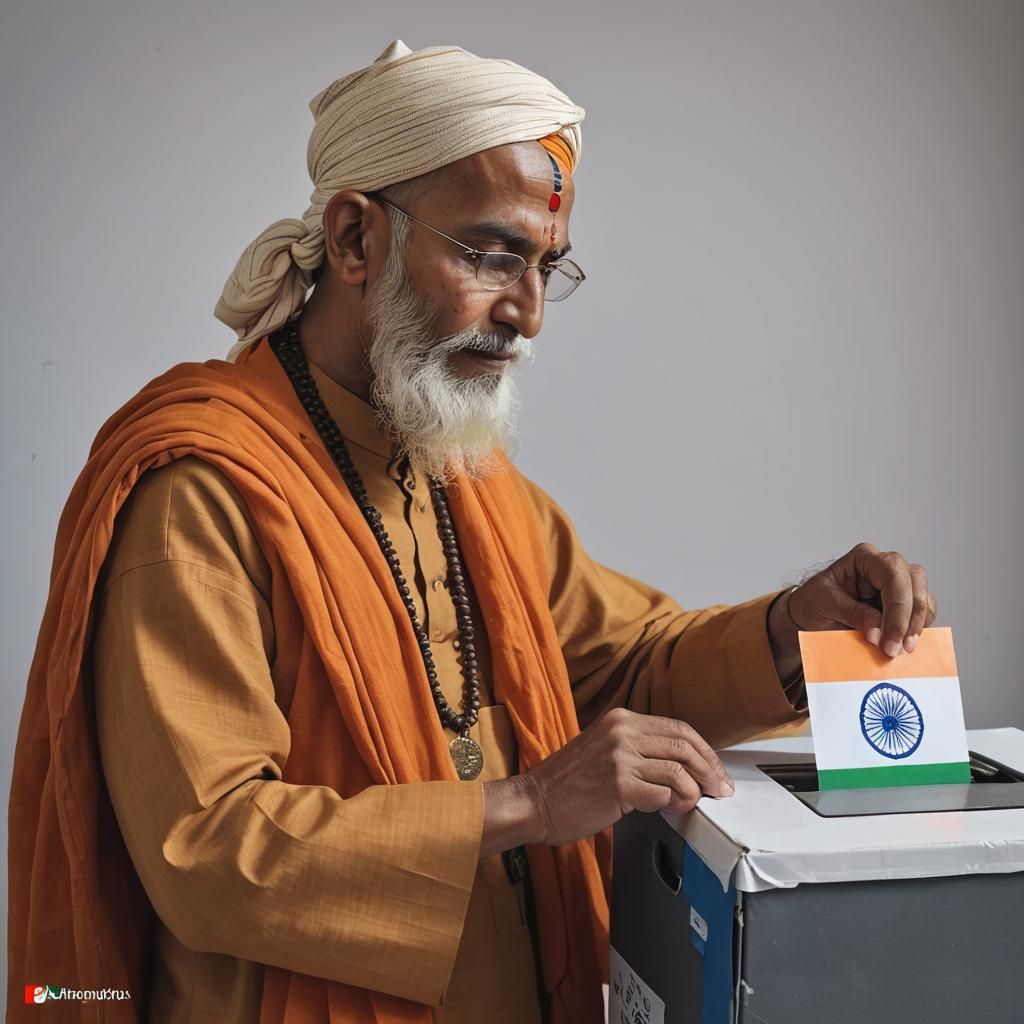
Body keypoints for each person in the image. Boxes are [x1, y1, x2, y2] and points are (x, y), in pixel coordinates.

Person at [8, 40, 937, 1024]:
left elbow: (617, 665)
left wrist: (796, 627)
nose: (527, 313)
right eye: (492, 255)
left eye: (546, 267)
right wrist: (532, 805)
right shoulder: (201, 493)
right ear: (356, 238)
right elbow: (207, 849)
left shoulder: (466, 476)